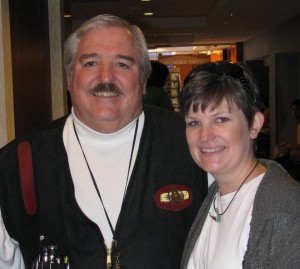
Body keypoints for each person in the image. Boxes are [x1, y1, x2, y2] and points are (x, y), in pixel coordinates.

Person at [0, 14, 208, 269]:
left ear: (143, 80)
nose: (106, 77)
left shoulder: (194, 143)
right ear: (68, 77)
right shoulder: (17, 163)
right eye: (90, 63)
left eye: (122, 64)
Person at [179, 61, 300, 269]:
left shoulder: (285, 210)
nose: (205, 136)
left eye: (221, 119)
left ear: (254, 125)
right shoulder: (214, 195)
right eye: (194, 122)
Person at [272, 99, 300, 181]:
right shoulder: (298, 126)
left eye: (297, 110)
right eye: (293, 110)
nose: (294, 112)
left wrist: (291, 146)